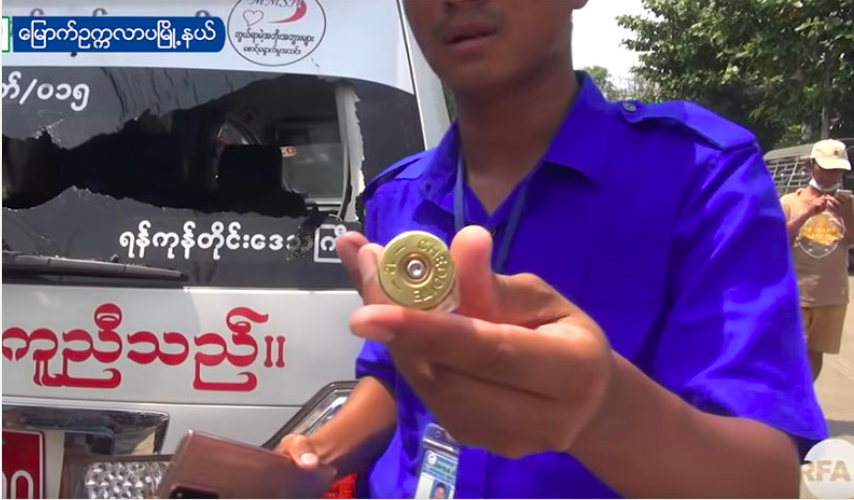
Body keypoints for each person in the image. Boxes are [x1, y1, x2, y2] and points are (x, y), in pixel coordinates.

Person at [276, 0, 827, 497]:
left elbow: (764, 481)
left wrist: (603, 410)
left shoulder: (700, 177)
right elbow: (395, 379)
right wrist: (313, 457)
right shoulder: (396, 198)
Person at [781, 139, 853, 380]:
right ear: (810, 165)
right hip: (795, 292)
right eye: (827, 169)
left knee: (814, 353)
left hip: (831, 295)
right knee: (791, 351)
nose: (833, 176)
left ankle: (805, 397)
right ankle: (788, 396)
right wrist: (807, 213)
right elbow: (777, 240)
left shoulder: (848, 205)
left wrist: (847, 215)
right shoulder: (790, 202)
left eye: (838, 170)